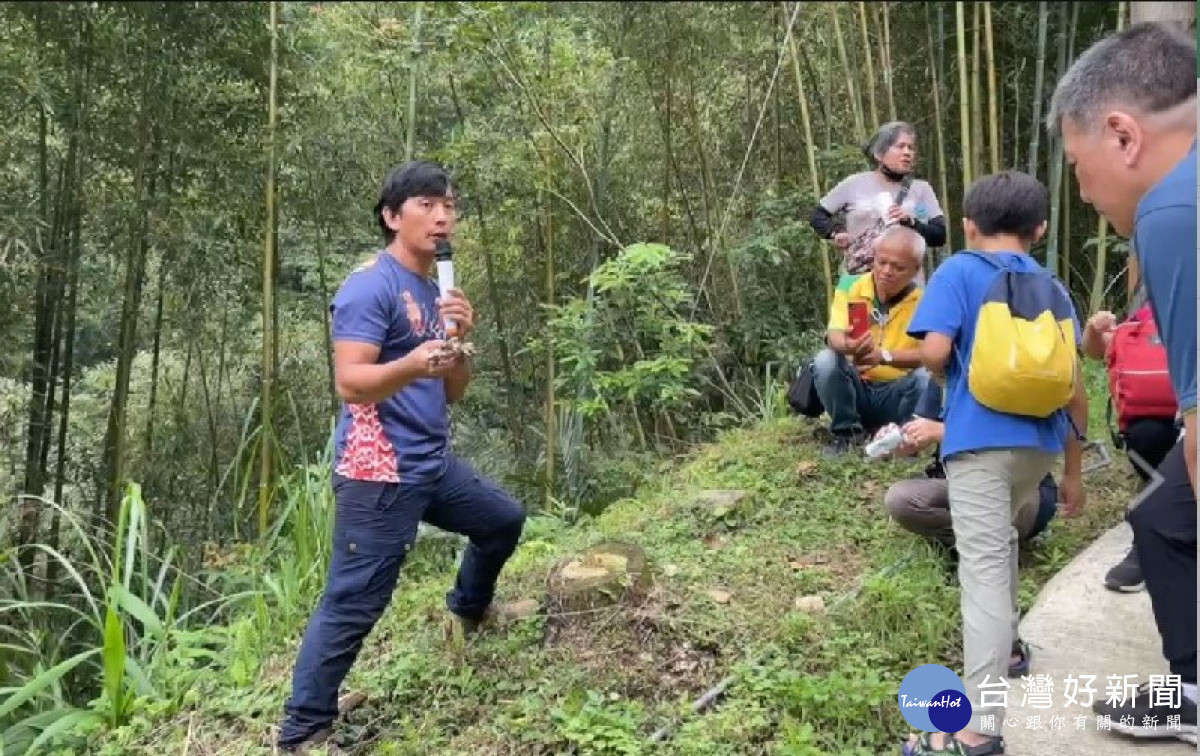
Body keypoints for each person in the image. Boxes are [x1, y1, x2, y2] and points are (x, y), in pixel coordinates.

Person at [277, 161, 528, 752]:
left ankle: (469, 610)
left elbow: (452, 390)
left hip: (429, 462)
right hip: (378, 474)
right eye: (426, 204)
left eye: (450, 205)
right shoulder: (371, 286)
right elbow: (351, 382)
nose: (443, 216)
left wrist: (461, 343)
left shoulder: (437, 288)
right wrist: (415, 362)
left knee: (502, 520)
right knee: (355, 599)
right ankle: (303, 730)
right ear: (392, 217)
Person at [900, 170, 1088, 756]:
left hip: (978, 444)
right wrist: (1075, 471)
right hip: (1039, 446)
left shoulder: (958, 269)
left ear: (967, 226)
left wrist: (945, 366)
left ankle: (978, 731)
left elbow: (932, 351)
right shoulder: (1055, 286)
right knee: (999, 543)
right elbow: (1077, 387)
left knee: (979, 571)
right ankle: (1007, 652)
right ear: (1040, 228)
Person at [1049, 21, 1197, 744]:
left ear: (1122, 135)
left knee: (1173, 510)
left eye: (1077, 164)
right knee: (1164, 515)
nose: (1080, 191)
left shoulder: (1172, 212)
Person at [1081, 287, 1179, 593]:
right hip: (1167, 411)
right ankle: (1151, 536)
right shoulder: (1155, 286)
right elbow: (1098, 352)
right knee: (1146, 435)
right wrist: (1095, 332)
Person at [812, 225, 931, 456]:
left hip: (896, 395)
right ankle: (847, 434)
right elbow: (834, 334)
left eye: (898, 267)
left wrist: (883, 357)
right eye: (882, 262)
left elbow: (928, 355)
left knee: (924, 378)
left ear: (916, 270)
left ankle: (904, 441)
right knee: (826, 360)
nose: (887, 271)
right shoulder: (851, 286)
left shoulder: (925, 301)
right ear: (873, 258)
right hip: (857, 389)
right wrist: (847, 345)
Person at [809, 121, 947, 278]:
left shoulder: (922, 189)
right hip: (858, 283)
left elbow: (939, 236)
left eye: (910, 147)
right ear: (879, 154)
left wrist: (911, 222)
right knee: (857, 301)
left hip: (907, 288)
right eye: (900, 146)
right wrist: (836, 232)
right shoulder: (854, 183)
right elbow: (817, 215)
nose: (907, 152)